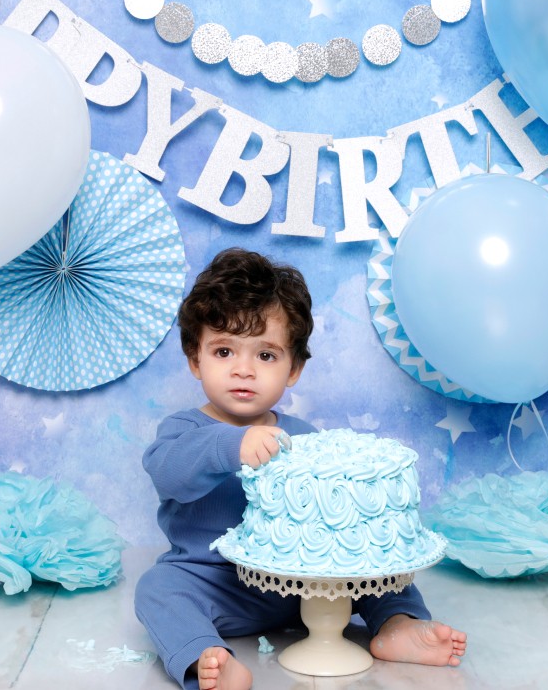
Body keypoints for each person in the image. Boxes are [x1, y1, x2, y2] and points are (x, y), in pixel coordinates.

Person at [135, 248, 466, 690]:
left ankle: (396, 626)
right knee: (157, 588)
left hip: (309, 585)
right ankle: (204, 655)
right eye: (224, 351)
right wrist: (233, 445)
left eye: (266, 355)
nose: (244, 370)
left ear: (294, 369)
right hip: (213, 584)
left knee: (379, 566)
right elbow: (168, 473)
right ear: (195, 359)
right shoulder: (184, 431)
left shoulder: (303, 438)